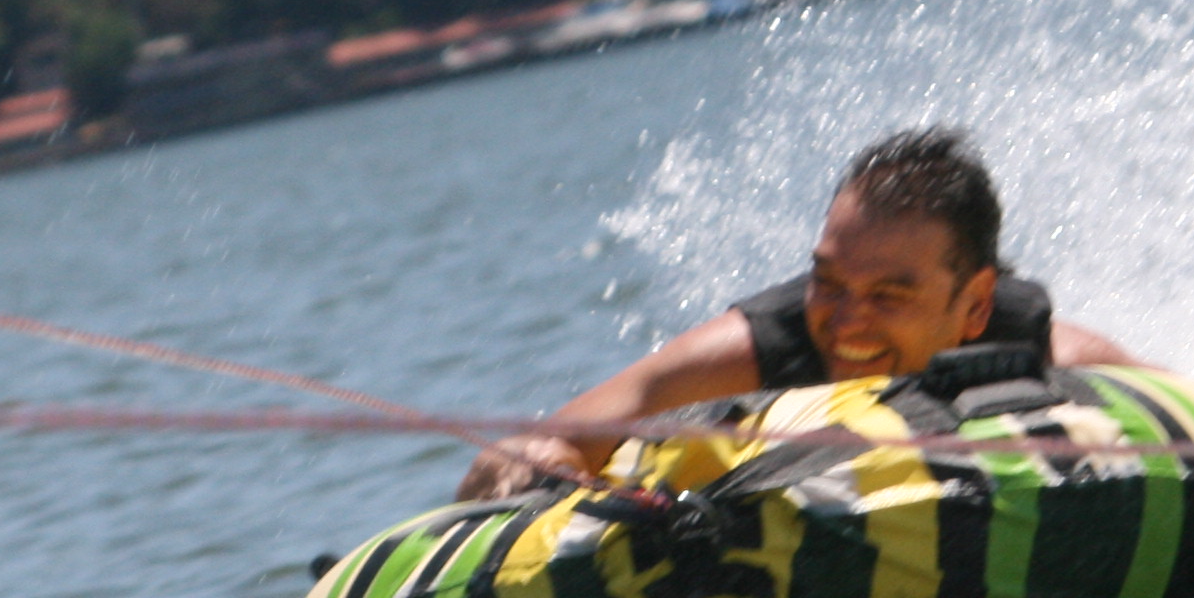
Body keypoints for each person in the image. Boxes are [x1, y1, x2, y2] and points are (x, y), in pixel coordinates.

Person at [458, 126, 1151, 501]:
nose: (847, 322)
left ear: (973, 306)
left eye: (889, 297)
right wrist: (535, 465)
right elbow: (530, 448)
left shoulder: (1039, 348)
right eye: (829, 282)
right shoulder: (758, 347)